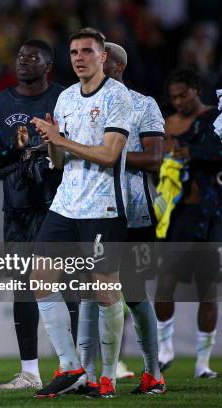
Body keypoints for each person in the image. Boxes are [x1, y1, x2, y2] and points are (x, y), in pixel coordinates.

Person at [30, 28, 133, 398]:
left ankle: (106, 377)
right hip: (66, 202)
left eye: (87, 51)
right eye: (73, 51)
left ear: (103, 56)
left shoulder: (118, 97)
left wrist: (61, 140)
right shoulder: (66, 98)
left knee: (105, 292)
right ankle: (70, 365)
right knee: (39, 276)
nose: (79, 57)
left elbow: (109, 154)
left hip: (103, 206)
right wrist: (50, 143)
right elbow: (58, 161)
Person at [0, 38, 78, 391]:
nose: (23, 62)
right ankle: (29, 371)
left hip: (59, 206)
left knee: (67, 288)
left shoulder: (65, 98)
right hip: (17, 209)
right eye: (19, 56)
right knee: (23, 290)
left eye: (32, 57)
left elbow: (76, 148)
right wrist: (16, 147)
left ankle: (77, 366)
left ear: (47, 64)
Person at [100, 42, 166, 394]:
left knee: (136, 293)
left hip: (135, 213)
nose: (96, 64)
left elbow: (155, 157)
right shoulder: (84, 104)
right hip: (93, 212)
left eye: (103, 59)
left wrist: (111, 154)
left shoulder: (143, 105)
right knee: (96, 292)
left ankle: (153, 372)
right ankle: (98, 374)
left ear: (118, 66)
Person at [154, 68, 221, 379]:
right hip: (178, 215)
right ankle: (165, 347)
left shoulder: (216, 119)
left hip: (211, 214)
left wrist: (189, 151)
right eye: (173, 97)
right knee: (165, 282)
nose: (178, 102)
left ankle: (202, 362)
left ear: (196, 90)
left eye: (183, 95)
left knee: (208, 291)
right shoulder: (168, 124)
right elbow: (158, 163)